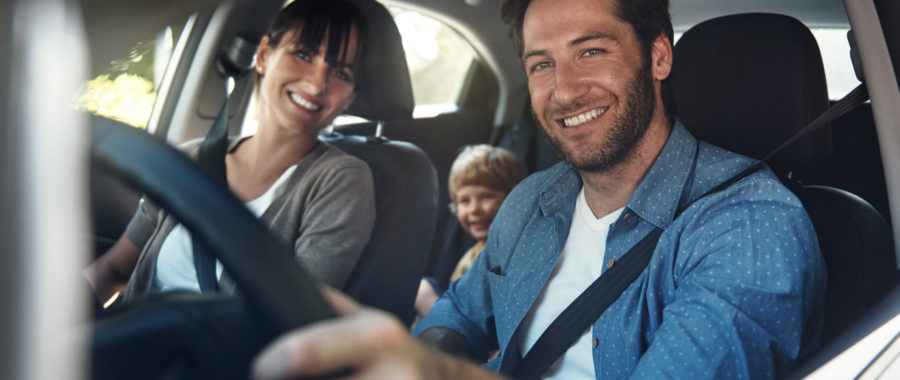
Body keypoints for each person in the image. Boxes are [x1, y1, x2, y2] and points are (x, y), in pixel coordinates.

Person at [252, 0, 827, 378]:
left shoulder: (750, 224)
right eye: (541, 65)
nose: (565, 91)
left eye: (591, 51)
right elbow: (461, 311)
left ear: (657, 55)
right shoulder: (532, 201)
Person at [84, 0, 376, 304]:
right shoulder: (191, 159)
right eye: (303, 54)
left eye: (340, 73)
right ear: (263, 56)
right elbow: (114, 270)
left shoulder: (342, 180)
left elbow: (295, 316)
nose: (317, 85)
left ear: (350, 97)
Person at [414, 144, 528, 320]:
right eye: (465, 201)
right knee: (422, 287)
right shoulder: (475, 251)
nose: (474, 209)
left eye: (486, 197)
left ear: (514, 198)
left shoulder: (515, 253)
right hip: (460, 314)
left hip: (477, 328)